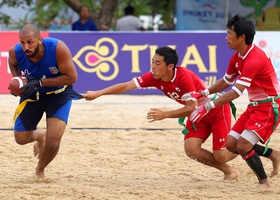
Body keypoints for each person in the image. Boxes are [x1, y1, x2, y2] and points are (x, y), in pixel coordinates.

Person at [83, 46, 240, 180]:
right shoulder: (154, 77)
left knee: (221, 155)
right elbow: (126, 86)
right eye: (152, 62)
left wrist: (165, 115)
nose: (153, 66)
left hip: (215, 109)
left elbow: (191, 107)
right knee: (191, 150)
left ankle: (244, 145)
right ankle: (229, 171)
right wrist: (99, 93)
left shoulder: (184, 77)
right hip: (196, 115)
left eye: (157, 63)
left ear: (170, 66)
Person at [190, 14, 280, 189]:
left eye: (229, 33)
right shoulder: (237, 57)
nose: (226, 37)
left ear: (242, 37)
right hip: (254, 106)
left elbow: (236, 92)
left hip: (270, 106)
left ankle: (264, 182)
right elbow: (225, 82)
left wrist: (207, 106)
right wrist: (203, 93)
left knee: (243, 145)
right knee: (231, 145)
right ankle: (274, 154)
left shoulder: (255, 58)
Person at [8, 24, 82, 178]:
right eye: (22, 43)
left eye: (30, 42)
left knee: (53, 140)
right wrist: (17, 80)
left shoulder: (57, 48)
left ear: (40, 39)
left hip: (59, 94)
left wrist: (40, 82)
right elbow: (13, 64)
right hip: (33, 94)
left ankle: (40, 169)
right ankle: (40, 135)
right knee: (20, 138)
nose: (26, 47)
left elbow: (72, 77)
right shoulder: (15, 52)